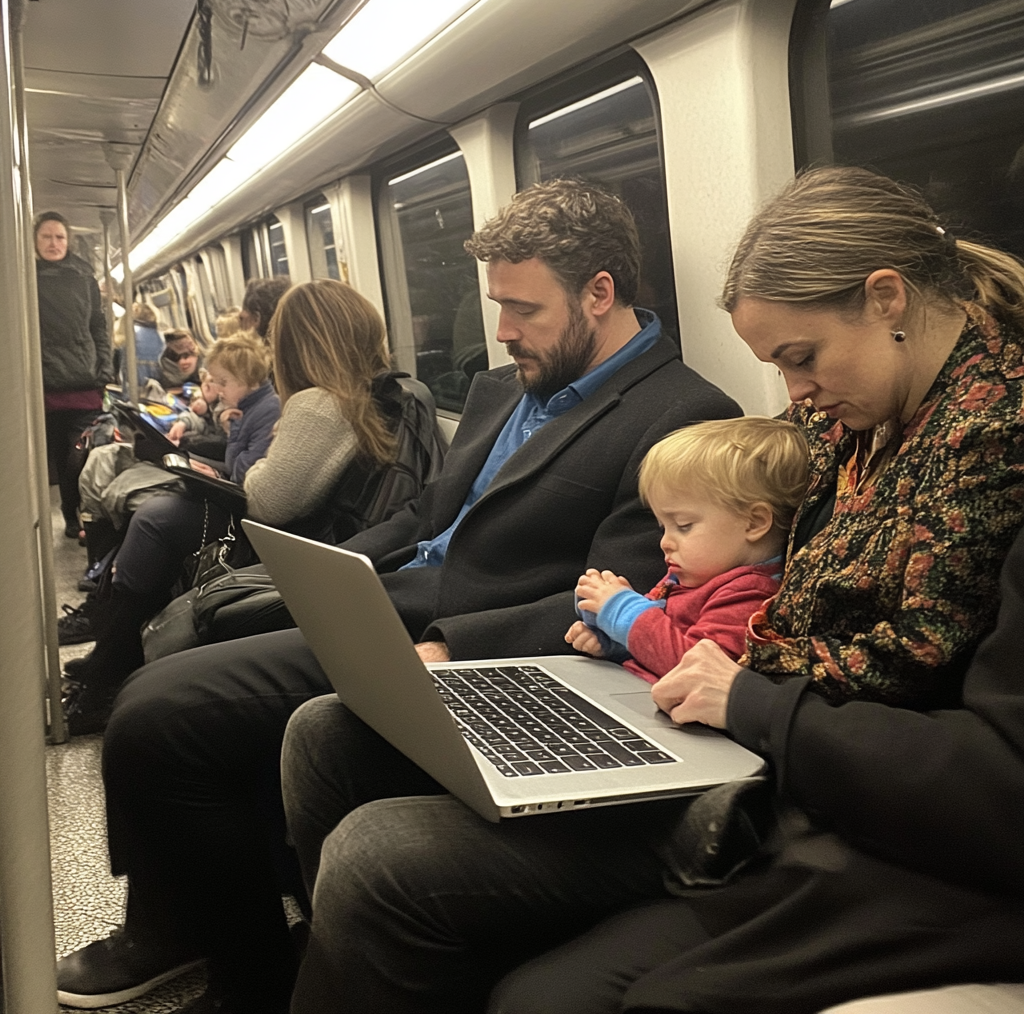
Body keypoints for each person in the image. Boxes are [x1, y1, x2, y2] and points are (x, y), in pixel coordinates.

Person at [278, 166, 1024, 1014]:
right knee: (331, 732)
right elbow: (728, 554)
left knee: (385, 861)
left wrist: (734, 685)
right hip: (717, 709)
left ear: (887, 299)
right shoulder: (842, 420)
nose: (795, 392)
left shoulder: (988, 441)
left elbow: (909, 675)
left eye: (801, 359)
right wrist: (656, 619)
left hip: (783, 760)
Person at [54, 178, 742, 1014]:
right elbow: (425, 514)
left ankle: (241, 974)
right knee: (160, 687)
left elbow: (620, 595)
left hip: (463, 641)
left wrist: (454, 640)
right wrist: (323, 568)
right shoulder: (502, 388)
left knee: (162, 715)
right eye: (498, 306)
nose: (503, 331)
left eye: (523, 308)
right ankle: (197, 929)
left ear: (600, 293)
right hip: (386, 597)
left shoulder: (683, 417)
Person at [62, 332, 279, 734]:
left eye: (223, 384)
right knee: (142, 513)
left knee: (152, 518)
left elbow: (251, 476)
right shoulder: (248, 408)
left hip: (249, 515)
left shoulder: (266, 410)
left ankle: (110, 664)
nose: (215, 390)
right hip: (237, 496)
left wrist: (219, 449)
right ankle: (108, 645)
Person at [567, 416, 808, 681]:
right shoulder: (694, 573)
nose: (665, 542)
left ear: (754, 522)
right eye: (663, 527)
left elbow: (695, 670)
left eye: (683, 525)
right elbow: (663, 640)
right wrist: (615, 640)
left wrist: (623, 611)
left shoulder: (750, 594)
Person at [34, 210, 114, 537]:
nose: (54, 243)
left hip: (85, 382)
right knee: (60, 459)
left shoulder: (84, 276)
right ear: (34, 241)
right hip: (48, 385)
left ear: (68, 240)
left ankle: (89, 513)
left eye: (59, 237)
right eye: (46, 237)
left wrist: (105, 367)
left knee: (81, 456)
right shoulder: (25, 277)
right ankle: (72, 516)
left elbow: (98, 325)